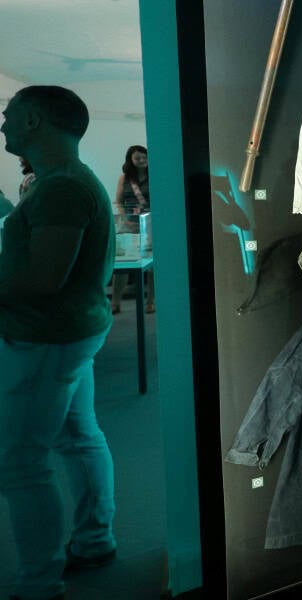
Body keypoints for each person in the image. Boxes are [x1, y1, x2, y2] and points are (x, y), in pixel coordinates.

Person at [0, 85, 118, 600]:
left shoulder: (61, 187)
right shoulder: (61, 181)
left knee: (21, 463)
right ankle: (94, 540)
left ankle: (38, 584)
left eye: (10, 115)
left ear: (34, 121)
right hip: (71, 331)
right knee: (77, 436)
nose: (3, 124)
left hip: (47, 337)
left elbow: (43, 279)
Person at [110, 144, 152, 314]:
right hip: (129, 226)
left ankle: (151, 301)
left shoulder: (155, 175)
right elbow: (119, 202)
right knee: (123, 265)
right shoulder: (124, 179)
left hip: (150, 225)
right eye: (137, 158)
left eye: (144, 157)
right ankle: (115, 302)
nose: (142, 160)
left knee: (153, 266)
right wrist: (125, 219)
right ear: (131, 160)